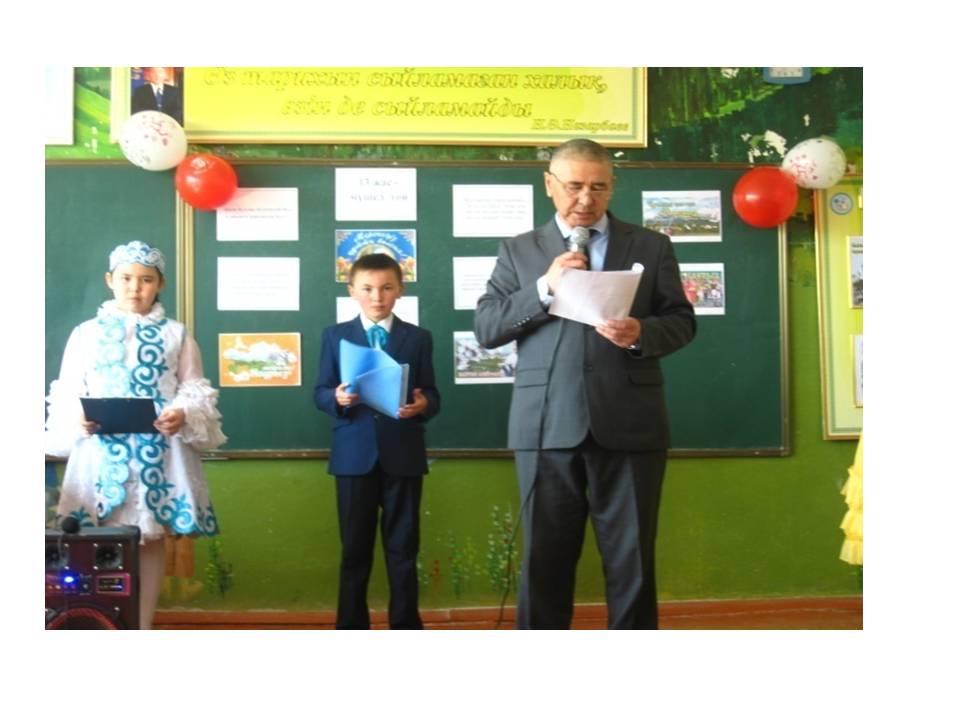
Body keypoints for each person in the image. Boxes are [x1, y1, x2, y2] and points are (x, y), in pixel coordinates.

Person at [474, 138, 696, 629]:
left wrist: (641, 333)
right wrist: (544, 287)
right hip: (546, 425)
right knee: (544, 561)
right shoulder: (519, 250)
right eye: (574, 186)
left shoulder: (650, 246)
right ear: (549, 185)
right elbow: (487, 328)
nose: (585, 199)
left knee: (633, 561)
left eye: (598, 187)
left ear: (612, 186)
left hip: (630, 424)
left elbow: (682, 322)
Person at [45, 240, 226, 629]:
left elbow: (194, 388)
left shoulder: (177, 334)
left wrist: (182, 412)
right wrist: (78, 416)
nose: (135, 287)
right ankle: (99, 624)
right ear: (110, 280)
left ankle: (141, 626)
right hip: (99, 453)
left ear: (160, 284)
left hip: (158, 454)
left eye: (146, 280)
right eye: (126, 278)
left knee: (149, 537)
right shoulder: (85, 334)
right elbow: (68, 388)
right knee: (94, 538)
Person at [314, 253, 440, 629]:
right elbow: (320, 391)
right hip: (353, 457)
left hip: (404, 455)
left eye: (386, 288)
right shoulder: (335, 336)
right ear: (351, 290)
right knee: (355, 551)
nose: (377, 296)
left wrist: (423, 404)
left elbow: (432, 393)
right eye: (367, 288)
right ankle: (351, 627)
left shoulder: (418, 338)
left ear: (400, 290)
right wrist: (336, 398)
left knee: (403, 549)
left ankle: (406, 626)